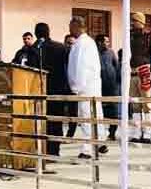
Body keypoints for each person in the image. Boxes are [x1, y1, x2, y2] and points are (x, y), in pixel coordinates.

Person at [66, 16, 105, 159]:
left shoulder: (84, 43)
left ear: (77, 26)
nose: (69, 29)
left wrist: (76, 86)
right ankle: (100, 141)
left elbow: (81, 67)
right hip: (88, 85)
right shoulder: (82, 43)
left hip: (85, 86)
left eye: (70, 26)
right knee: (94, 114)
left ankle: (87, 149)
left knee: (87, 116)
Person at [35, 22, 71, 161]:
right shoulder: (61, 48)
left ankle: (42, 150)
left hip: (39, 90)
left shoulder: (34, 49)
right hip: (58, 89)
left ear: (36, 33)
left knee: (41, 122)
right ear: (48, 32)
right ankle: (54, 152)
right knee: (56, 122)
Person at [123, 12, 151, 142]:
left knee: (147, 105)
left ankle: (148, 134)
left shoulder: (149, 36)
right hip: (132, 74)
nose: (132, 23)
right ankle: (136, 133)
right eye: (131, 20)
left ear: (141, 22)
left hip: (145, 73)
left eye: (134, 20)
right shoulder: (129, 36)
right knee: (135, 105)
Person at [96, 35, 121, 141]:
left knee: (114, 112)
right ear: (99, 42)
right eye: (106, 41)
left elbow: (117, 66)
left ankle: (112, 132)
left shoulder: (111, 53)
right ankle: (101, 133)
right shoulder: (94, 53)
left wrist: (118, 82)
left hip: (112, 87)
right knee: (100, 111)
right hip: (100, 87)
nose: (108, 43)